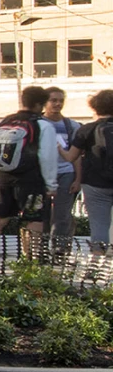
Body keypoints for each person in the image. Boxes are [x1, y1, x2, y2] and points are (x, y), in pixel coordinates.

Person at [0, 85, 54, 263]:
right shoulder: (42, 125)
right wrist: (51, 185)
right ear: (40, 105)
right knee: (34, 219)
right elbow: (47, 157)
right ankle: (33, 259)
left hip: (4, 178)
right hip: (32, 180)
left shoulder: (2, 123)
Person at [72, 90, 113, 255]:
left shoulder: (87, 129)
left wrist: (58, 149)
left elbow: (71, 156)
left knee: (99, 225)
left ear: (95, 107)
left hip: (95, 183)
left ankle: (98, 264)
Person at [44, 87, 82, 244]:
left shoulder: (72, 126)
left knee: (62, 214)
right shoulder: (37, 124)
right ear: (44, 102)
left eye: (61, 101)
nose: (58, 104)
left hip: (66, 172)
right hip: (42, 174)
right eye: (53, 100)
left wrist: (78, 179)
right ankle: (39, 249)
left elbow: (77, 155)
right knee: (41, 214)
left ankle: (60, 250)